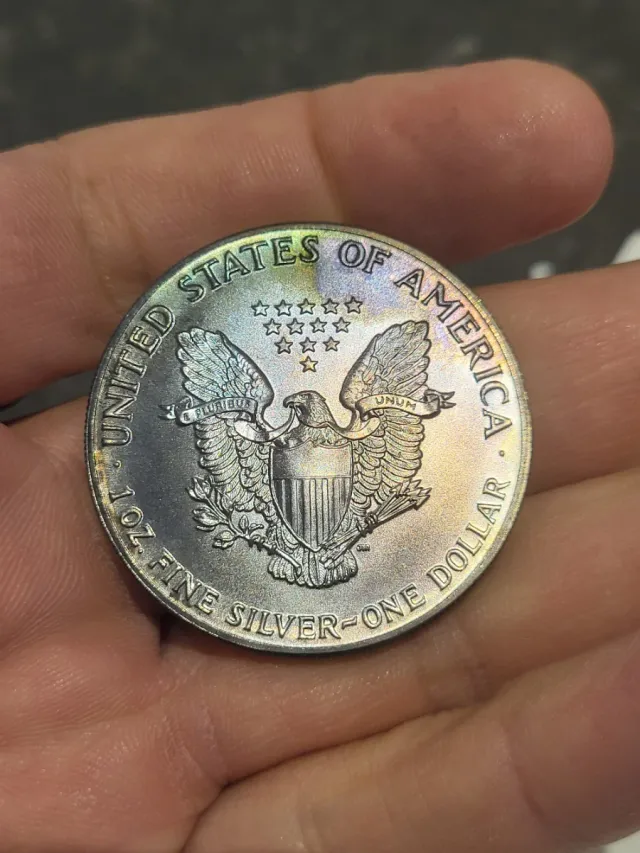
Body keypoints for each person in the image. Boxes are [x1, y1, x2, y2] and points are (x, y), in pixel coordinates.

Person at [0, 58, 635, 853]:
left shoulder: (351, 414)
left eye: (303, 402)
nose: (299, 405)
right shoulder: (275, 423)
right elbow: (223, 399)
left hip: (315, 552)